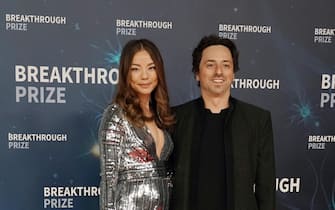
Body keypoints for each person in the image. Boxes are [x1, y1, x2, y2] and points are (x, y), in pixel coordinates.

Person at [170, 35, 276, 210]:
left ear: (233, 73)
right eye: (210, 65)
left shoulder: (257, 120)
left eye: (226, 65)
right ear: (197, 73)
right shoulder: (174, 118)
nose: (219, 72)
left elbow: (266, 191)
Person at [99, 39, 175, 210]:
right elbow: (108, 180)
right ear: (126, 73)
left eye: (151, 67)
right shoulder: (116, 115)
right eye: (135, 69)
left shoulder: (162, 115)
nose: (145, 76)